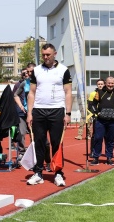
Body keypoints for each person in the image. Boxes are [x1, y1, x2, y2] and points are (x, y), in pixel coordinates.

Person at [26, 43, 72, 187]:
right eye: (43, 55)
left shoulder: (63, 70)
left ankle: (58, 173)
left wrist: (68, 113)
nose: (45, 57)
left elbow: (68, 92)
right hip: (39, 110)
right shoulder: (37, 70)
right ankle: (38, 172)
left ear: (55, 54)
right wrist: (29, 113)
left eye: (48, 55)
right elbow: (31, 93)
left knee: (56, 142)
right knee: (39, 142)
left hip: (57, 110)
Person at [14, 63, 52, 171]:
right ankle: (33, 162)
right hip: (28, 113)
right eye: (28, 72)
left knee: (45, 141)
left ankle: (48, 161)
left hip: (40, 113)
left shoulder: (42, 82)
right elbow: (15, 95)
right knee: (28, 136)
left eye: (31, 71)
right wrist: (21, 106)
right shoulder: (24, 83)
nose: (29, 74)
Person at [89, 76, 114, 166]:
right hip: (100, 121)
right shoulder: (99, 92)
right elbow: (93, 105)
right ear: (106, 83)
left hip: (112, 121)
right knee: (98, 138)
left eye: (112, 83)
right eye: (109, 83)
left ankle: (109, 158)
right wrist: (97, 113)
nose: (110, 85)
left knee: (111, 139)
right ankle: (96, 158)